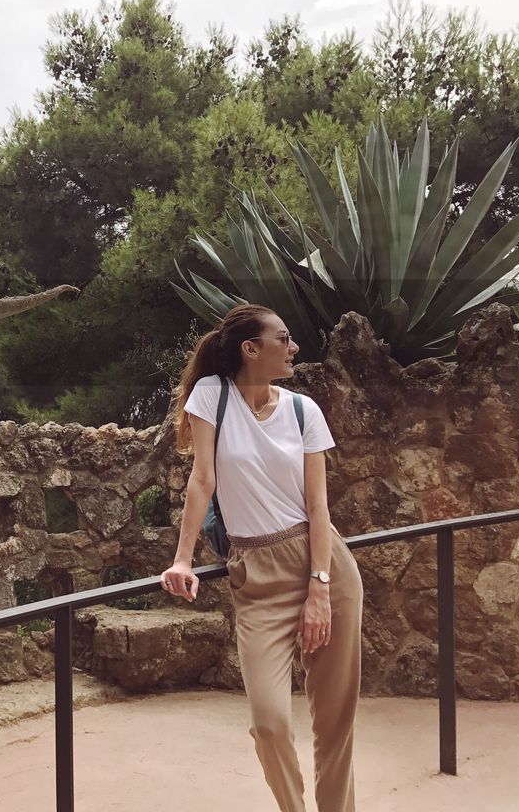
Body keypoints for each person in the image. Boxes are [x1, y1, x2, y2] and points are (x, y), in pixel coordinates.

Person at [159, 303, 363, 812]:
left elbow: (319, 506)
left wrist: (319, 586)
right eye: (284, 339)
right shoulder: (211, 397)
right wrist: (182, 560)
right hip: (256, 575)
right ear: (251, 349)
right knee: (270, 722)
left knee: (336, 720)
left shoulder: (303, 410)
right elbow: (201, 480)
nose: (294, 348)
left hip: (324, 567)